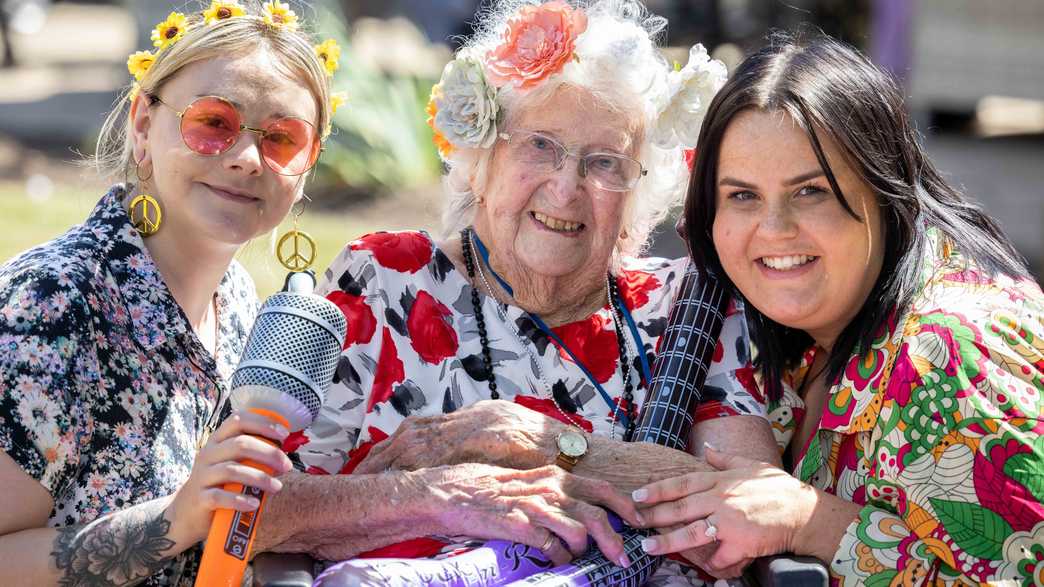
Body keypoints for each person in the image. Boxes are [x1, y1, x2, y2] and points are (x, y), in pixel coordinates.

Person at [253, 0, 779, 581]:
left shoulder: (684, 303)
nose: (565, 188)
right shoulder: (383, 279)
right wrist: (439, 494)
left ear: (637, 194)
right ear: (483, 157)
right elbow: (258, 508)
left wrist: (548, 443)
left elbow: (750, 510)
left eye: (605, 163)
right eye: (540, 145)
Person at [632, 34, 1044, 585]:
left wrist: (809, 521)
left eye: (811, 191)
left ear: (885, 189)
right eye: (742, 196)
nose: (774, 230)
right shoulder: (809, 337)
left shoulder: (948, 351)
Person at [0, 2, 341, 584]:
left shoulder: (235, 299)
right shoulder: (51, 304)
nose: (245, 159)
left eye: (282, 138)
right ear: (142, 125)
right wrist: (178, 519)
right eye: (212, 124)